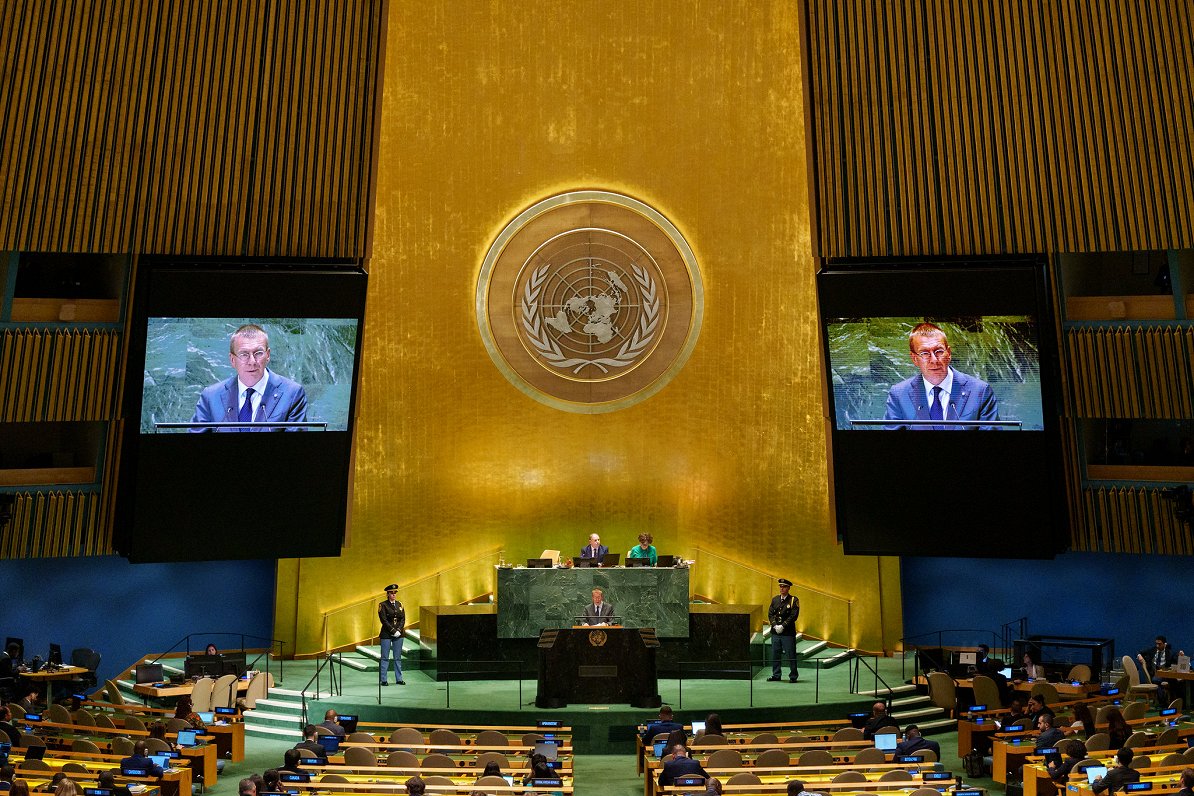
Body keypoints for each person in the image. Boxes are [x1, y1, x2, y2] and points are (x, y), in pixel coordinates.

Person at [190, 323, 308, 432]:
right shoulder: (211, 396)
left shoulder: (292, 394)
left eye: (258, 353)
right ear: (232, 360)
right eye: (244, 354)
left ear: (268, 355)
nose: (252, 361)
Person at [884, 322, 999, 429]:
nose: (934, 360)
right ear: (914, 359)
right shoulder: (899, 394)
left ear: (948, 353)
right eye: (925, 353)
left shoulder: (980, 391)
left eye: (939, 351)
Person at [767, 578, 800, 682]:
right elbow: (770, 614)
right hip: (776, 632)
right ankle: (776, 675)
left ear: (788, 588)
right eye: (780, 586)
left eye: (784, 586)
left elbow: (793, 615)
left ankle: (793, 676)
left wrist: (783, 625)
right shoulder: (775, 599)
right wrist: (775, 625)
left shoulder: (793, 600)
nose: (782, 588)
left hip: (787, 633)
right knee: (775, 654)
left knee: (791, 654)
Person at [378, 583, 406, 686]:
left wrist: (399, 630)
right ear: (387, 594)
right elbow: (384, 620)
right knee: (385, 657)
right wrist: (393, 631)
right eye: (391, 593)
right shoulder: (383, 605)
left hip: (399, 634)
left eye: (395, 593)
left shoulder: (400, 604)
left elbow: (403, 618)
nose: (394, 595)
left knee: (397, 657)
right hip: (386, 634)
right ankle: (383, 680)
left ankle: (399, 679)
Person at [1137, 635, 1179, 703]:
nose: (1157, 646)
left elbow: (1176, 660)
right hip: (1154, 674)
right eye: (1156, 643)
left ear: (1165, 644)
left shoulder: (1170, 653)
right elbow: (1139, 652)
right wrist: (1139, 656)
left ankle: (1175, 700)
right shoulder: (1152, 650)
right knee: (1156, 679)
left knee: (1174, 681)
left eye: (1159, 644)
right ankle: (1163, 700)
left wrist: (1181, 656)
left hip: (1166, 675)